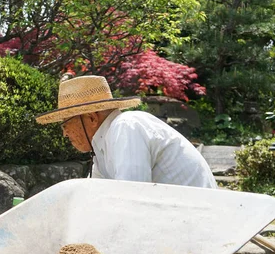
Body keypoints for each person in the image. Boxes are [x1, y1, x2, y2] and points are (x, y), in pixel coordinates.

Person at [36, 75, 217, 189]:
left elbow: (131, 198)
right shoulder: (102, 146)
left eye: (65, 125)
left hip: (195, 221)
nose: (65, 134)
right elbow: (94, 198)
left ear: (91, 118)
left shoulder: (126, 127)